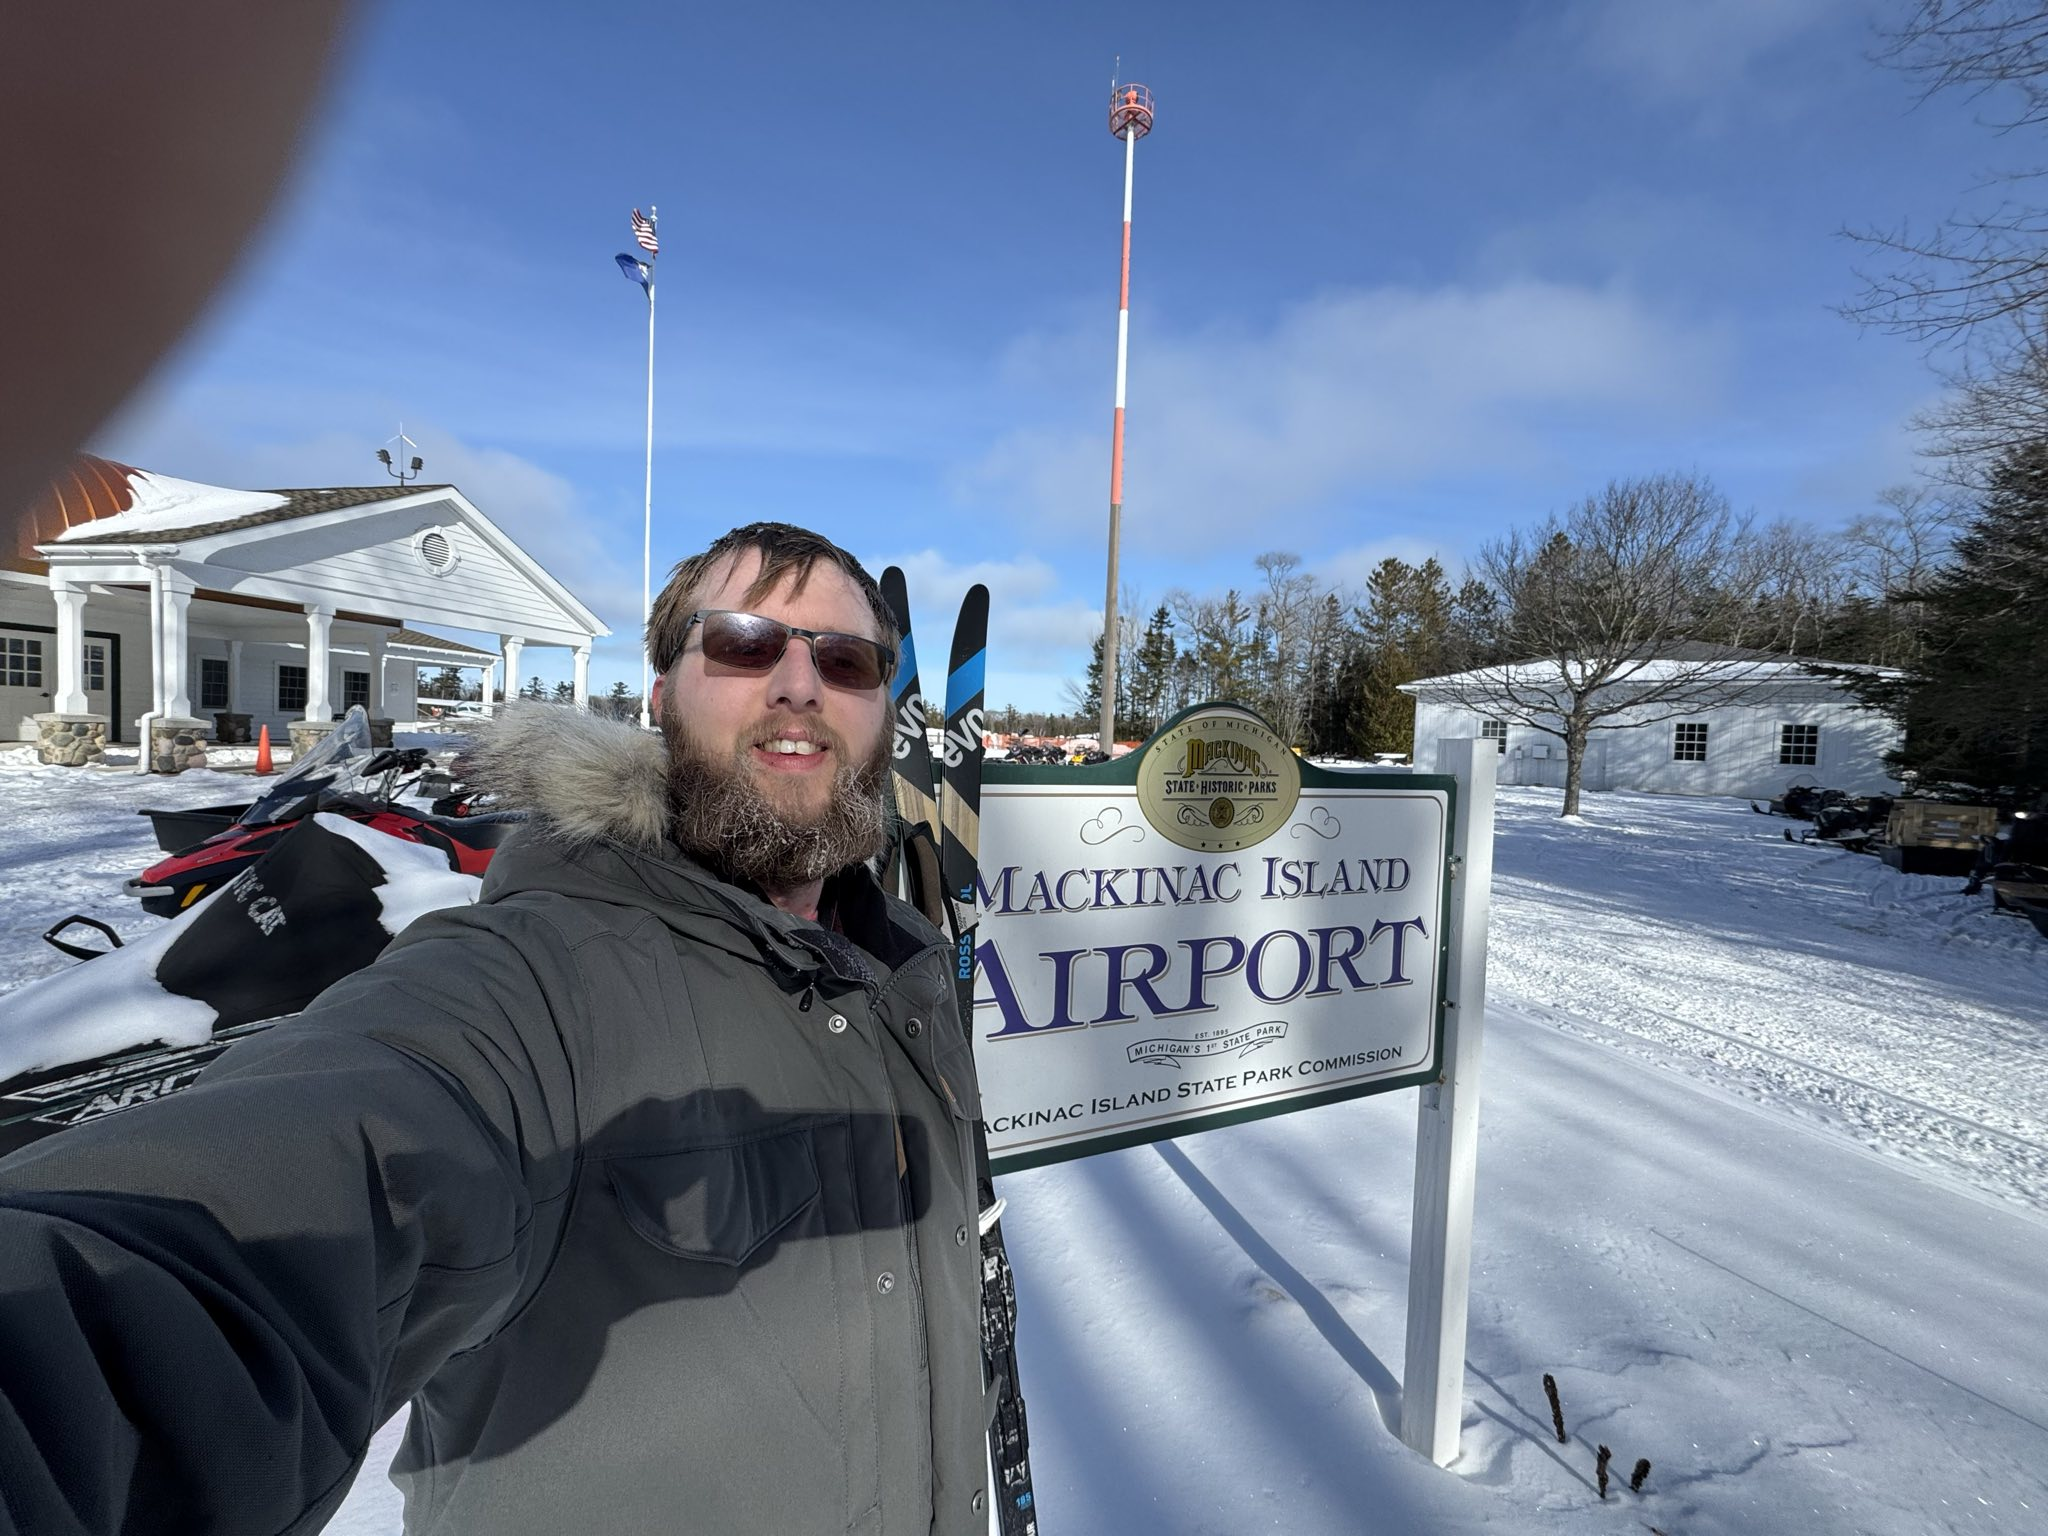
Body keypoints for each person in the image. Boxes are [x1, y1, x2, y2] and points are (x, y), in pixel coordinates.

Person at [0, 521, 991, 1535]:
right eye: (743, 643)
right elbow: (236, 1230)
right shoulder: (524, 984)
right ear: (658, 696)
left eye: (845, 659)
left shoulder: (900, 966)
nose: (798, 684)